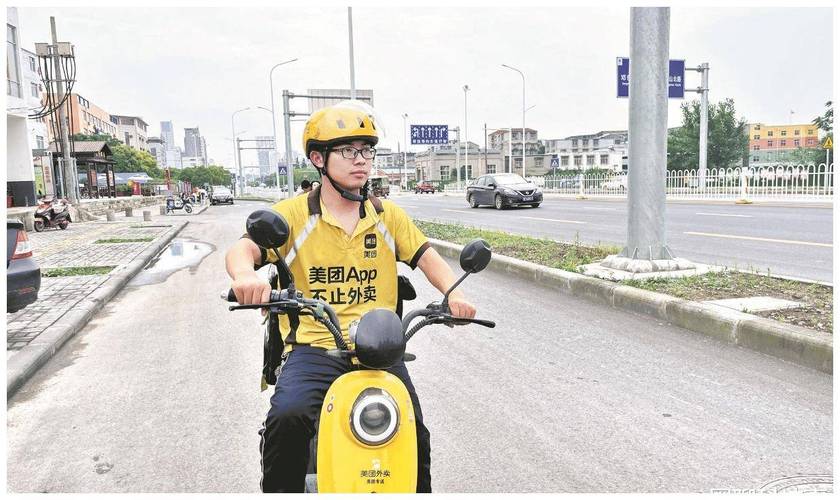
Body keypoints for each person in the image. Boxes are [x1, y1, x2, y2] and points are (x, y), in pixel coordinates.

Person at [225, 101, 477, 493]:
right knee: (287, 417)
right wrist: (245, 277)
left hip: (379, 349)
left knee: (415, 431)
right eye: (347, 151)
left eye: (366, 151)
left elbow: (427, 257)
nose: (361, 161)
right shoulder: (293, 216)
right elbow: (243, 251)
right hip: (314, 348)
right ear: (318, 159)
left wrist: (454, 294)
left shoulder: (386, 215)